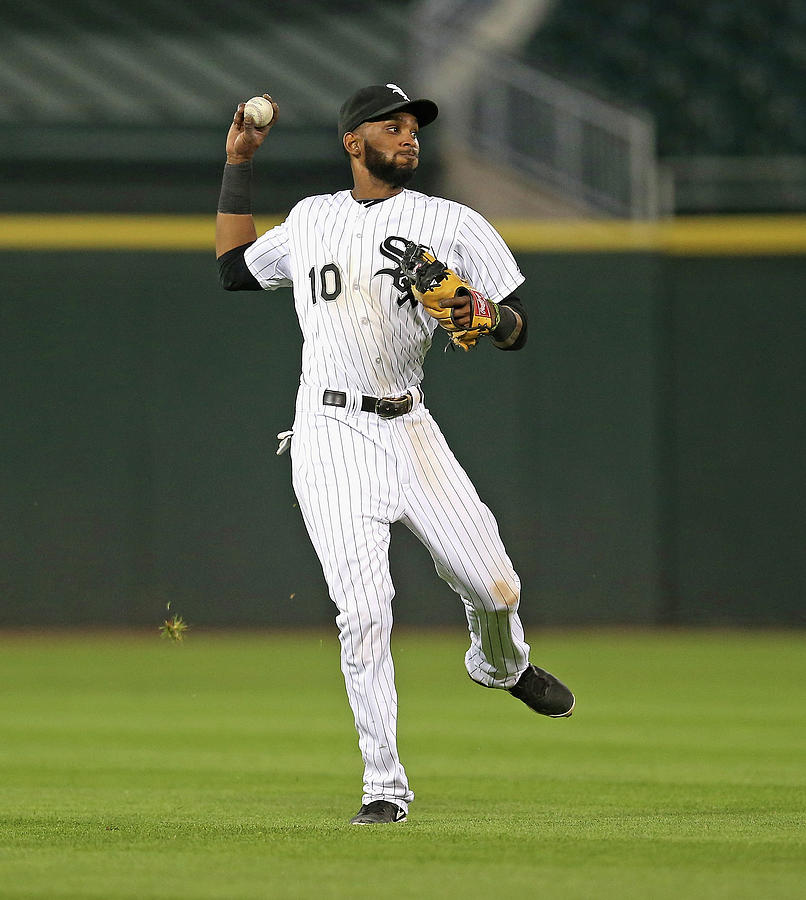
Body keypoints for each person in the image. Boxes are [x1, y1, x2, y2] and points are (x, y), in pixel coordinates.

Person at [215, 84, 575, 826]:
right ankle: (384, 785)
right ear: (355, 142)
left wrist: (484, 312)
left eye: (414, 127)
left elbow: (518, 329)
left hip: (411, 427)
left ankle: (500, 666)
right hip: (328, 433)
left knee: (497, 588)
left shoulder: (453, 222)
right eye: (392, 125)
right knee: (365, 610)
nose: (409, 136)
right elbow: (233, 268)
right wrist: (238, 164)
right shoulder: (314, 217)